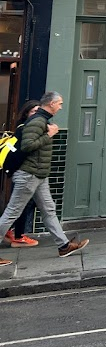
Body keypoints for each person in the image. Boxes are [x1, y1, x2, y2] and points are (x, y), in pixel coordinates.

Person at [0, 91, 89, 266]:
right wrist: (49, 134)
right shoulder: (38, 121)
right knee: (11, 213)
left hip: (39, 175)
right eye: (60, 103)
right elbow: (28, 145)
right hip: (29, 175)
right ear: (51, 104)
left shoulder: (43, 120)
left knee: (48, 210)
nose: (61, 107)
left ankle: (63, 246)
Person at [3, 100, 42, 248]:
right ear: (26, 113)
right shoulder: (24, 129)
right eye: (33, 111)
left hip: (31, 172)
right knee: (20, 205)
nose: (36, 115)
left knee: (26, 204)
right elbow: (26, 149)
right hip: (25, 172)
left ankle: (13, 232)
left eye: (38, 112)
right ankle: (17, 236)